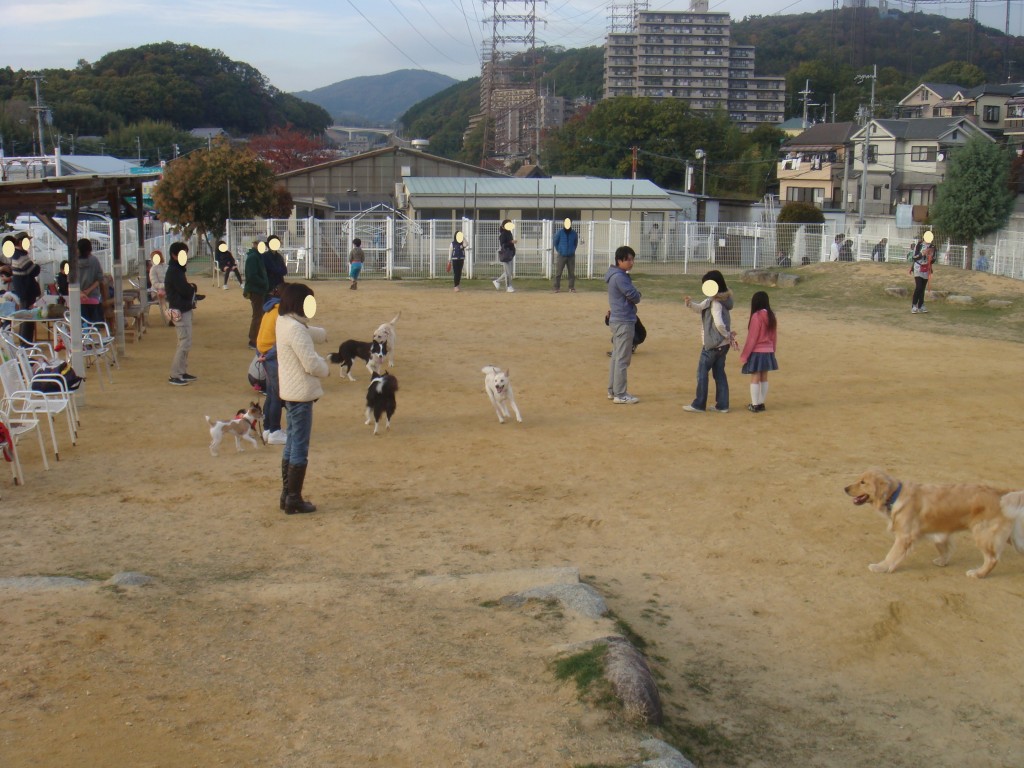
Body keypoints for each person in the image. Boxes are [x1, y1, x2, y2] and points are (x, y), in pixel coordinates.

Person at [276, 282, 329, 515]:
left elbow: (304, 332)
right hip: (300, 394)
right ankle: (294, 499)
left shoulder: (285, 322)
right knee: (299, 446)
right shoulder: (296, 329)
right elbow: (311, 364)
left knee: (290, 444)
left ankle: (286, 494)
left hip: (290, 391)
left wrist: (321, 333)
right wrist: (325, 367)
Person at [682, 269, 737, 414]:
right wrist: (689, 304)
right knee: (719, 373)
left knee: (702, 372)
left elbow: (719, 324)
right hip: (723, 345)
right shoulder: (718, 301)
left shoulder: (716, 304)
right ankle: (722, 405)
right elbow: (700, 308)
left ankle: (699, 404)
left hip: (712, 344)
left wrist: (727, 334)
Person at [604, 245, 641, 404]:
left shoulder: (616, 275)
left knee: (617, 357)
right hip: (623, 321)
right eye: (628, 260)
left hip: (618, 319)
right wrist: (637, 294)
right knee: (622, 359)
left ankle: (613, 390)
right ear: (620, 261)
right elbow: (634, 295)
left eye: (632, 259)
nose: (631, 263)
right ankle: (620, 393)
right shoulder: (620, 277)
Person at [164, 242, 198, 386]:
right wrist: (192, 288)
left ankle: (182, 371)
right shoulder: (174, 271)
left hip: (183, 309)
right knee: (183, 343)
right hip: (179, 310)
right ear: (174, 255)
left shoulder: (177, 269)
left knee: (186, 342)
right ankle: (175, 374)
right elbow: (185, 290)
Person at [256, 286, 286, 445]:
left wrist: (260, 355)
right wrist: (268, 355)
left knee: (271, 394)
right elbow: (281, 340)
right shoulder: (281, 313)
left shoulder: (269, 310)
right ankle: (274, 430)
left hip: (264, 354)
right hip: (272, 357)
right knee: (277, 395)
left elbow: (260, 336)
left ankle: (268, 428)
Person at [740, 291, 778, 413]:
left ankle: (755, 404)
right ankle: (761, 403)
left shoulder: (756, 317)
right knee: (764, 377)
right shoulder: (772, 316)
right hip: (768, 350)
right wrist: (773, 351)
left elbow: (752, 338)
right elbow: (774, 336)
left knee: (755, 376)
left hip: (757, 351)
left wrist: (745, 355)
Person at [7, 233, 41, 341]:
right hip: (26, 291)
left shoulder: (17, 254)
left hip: (24, 291)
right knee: (27, 319)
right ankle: (25, 344)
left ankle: (25, 344)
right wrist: (37, 266)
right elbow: (33, 270)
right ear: (21, 242)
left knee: (25, 318)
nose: (29, 243)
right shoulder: (20, 255)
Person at [244, 239, 270, 350]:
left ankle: (256, 338)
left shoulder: (257, 256)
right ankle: (253, 340)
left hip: (259, 289)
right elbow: (252, 276)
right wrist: (264, 283)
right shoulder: (253, 257)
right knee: (257, 315)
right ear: (255, 244)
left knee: (260, 315)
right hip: (256, 290)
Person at [77, 238, 105, 325]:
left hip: (78, 298)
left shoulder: (73, 262)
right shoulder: (94, 260)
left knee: (81, 324)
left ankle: (85, 337)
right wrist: (88, 291)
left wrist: (81, 293)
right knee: (92, 325)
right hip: (93, 297)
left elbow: (70, 281)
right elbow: (100, 279)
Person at [553, 218, 579, 293]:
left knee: (571, 273)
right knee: (558, 272)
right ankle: (556, 287)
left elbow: (575, 243)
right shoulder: (560, 233)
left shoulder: (574, 233)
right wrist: (559, 250)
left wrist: (572, 249)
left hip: (571, 256)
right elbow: (555, 242)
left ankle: (571, 287)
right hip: (561, 255)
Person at [910, 238, 934, 314]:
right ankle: (914, 305)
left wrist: (930, 256)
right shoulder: (919, 245)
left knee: (923, 288)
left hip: (926, 268)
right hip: (918, 267)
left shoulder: (932, 247)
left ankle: (921, 305)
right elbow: (914, 257)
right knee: (918, 287)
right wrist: (922, 254)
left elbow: (934, 259)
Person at [493, 219, 516, 293]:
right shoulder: (503, 234)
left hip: (510, 254)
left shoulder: (509, 233)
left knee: (509, 272)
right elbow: (503, 245)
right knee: (508, 272)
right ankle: (508, 286)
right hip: (506, 254)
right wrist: (511, 242)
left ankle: (497, 281)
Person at [149, 249, 170, 325]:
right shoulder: (153, 269)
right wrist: (166, 286)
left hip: (169, 290)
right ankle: (169, 318)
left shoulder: (167, 266)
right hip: (157, 291)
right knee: (162, 298)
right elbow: (155, 284)